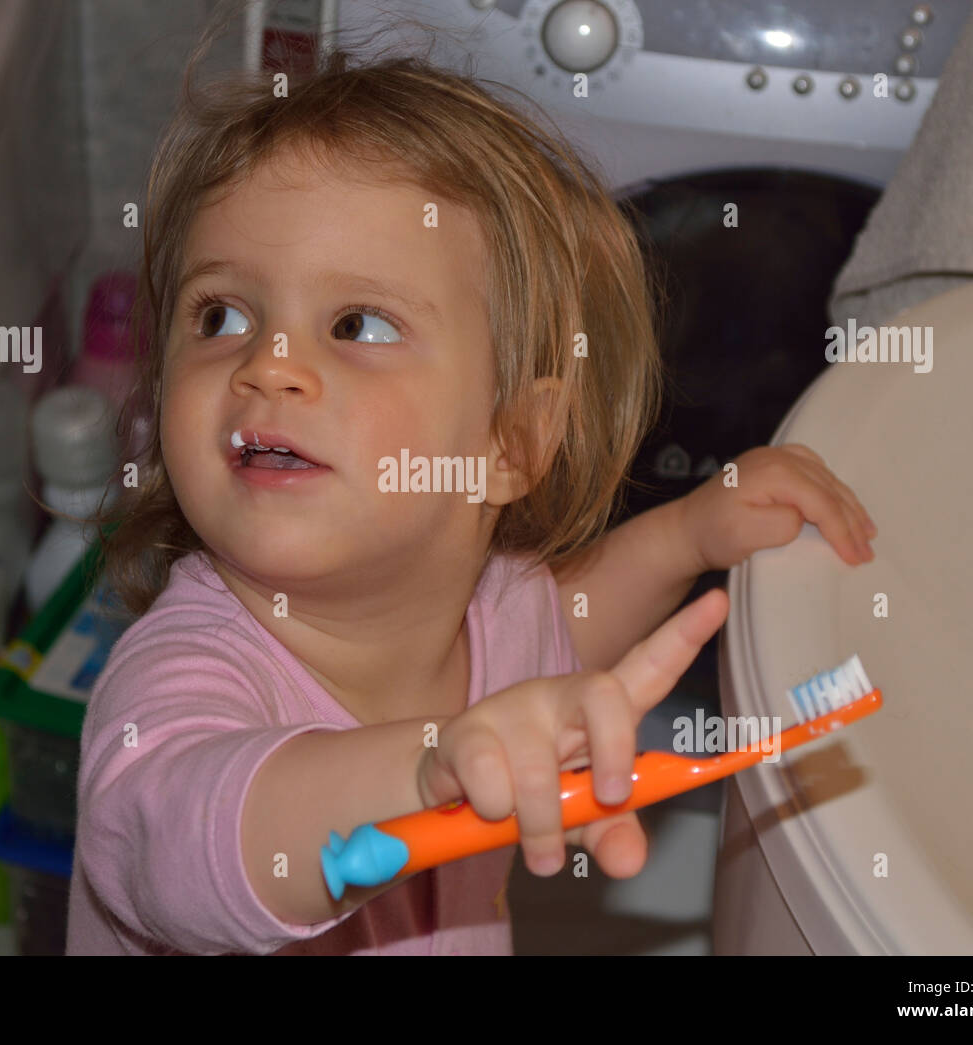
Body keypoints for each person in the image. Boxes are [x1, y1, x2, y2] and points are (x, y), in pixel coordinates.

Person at [66, 25, 876, 956]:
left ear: (513, 440)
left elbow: (566, 622)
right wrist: (434, 768)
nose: (268, 364)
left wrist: (688, 534)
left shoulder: (491, 604)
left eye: (357, 323)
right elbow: (180, 839)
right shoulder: (183, 674)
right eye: (223, 314)